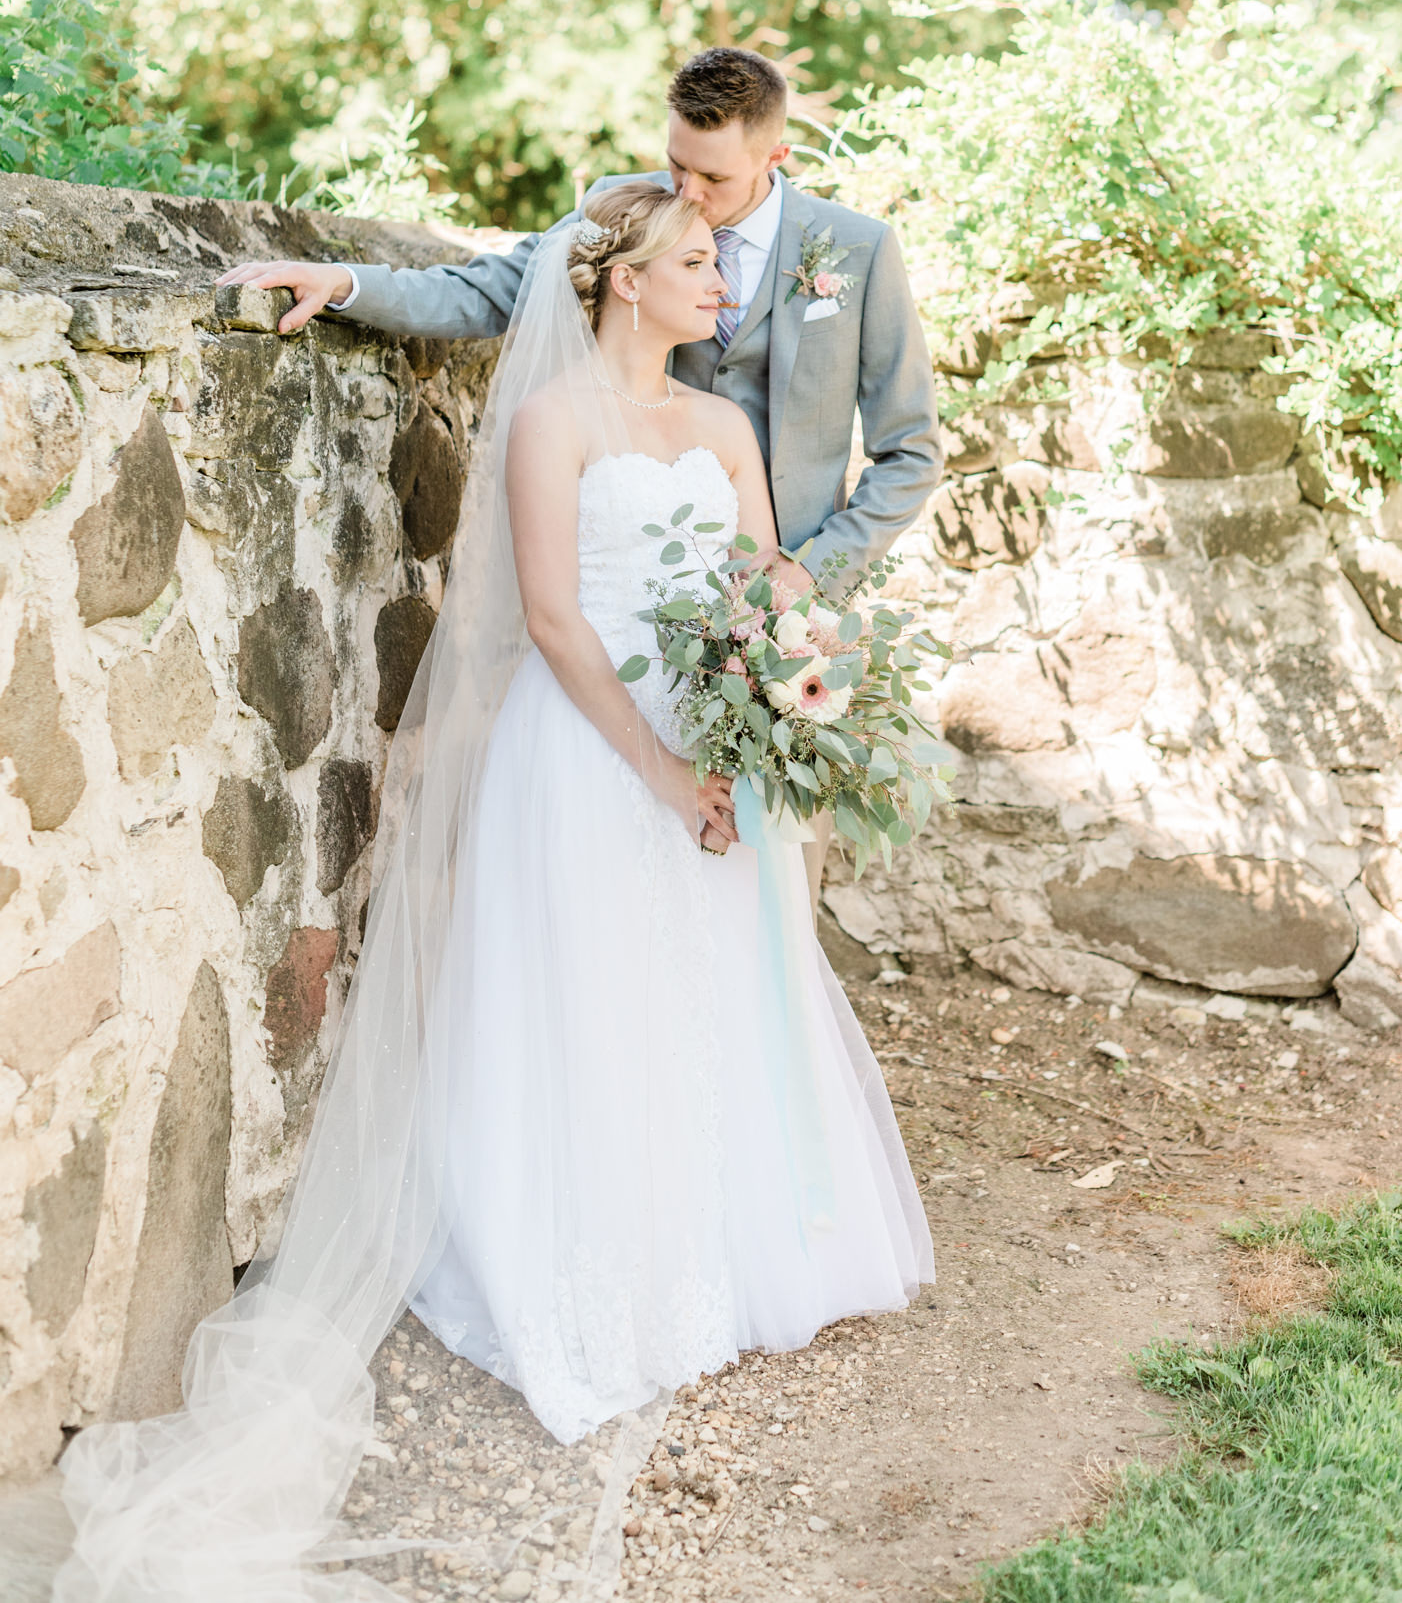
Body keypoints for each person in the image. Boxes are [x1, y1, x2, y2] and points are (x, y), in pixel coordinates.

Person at [30, 178, 934, 1603]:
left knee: (702, 990)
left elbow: (764, 581)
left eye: (721, 263)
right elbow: (560, 623)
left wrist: (795, 696)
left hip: (715, 746)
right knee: (588, 997)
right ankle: (581, 1265)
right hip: (588, 757)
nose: (725, 284)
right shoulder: (551, 422)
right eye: (698, 263)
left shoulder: (723, 426)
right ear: (625, 281)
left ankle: (726, 1244)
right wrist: (654, 767)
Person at [219, 46, 943, 916]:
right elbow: (486, 289)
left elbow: (911, 452)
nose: (687, 191)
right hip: (629, 627)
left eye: (710, 175)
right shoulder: (627, 213)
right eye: (674, 160)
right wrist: (347, 282)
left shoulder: (856, 252)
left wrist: (809, 575)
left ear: (774, 158)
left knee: (767, 902)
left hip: (780, 644)